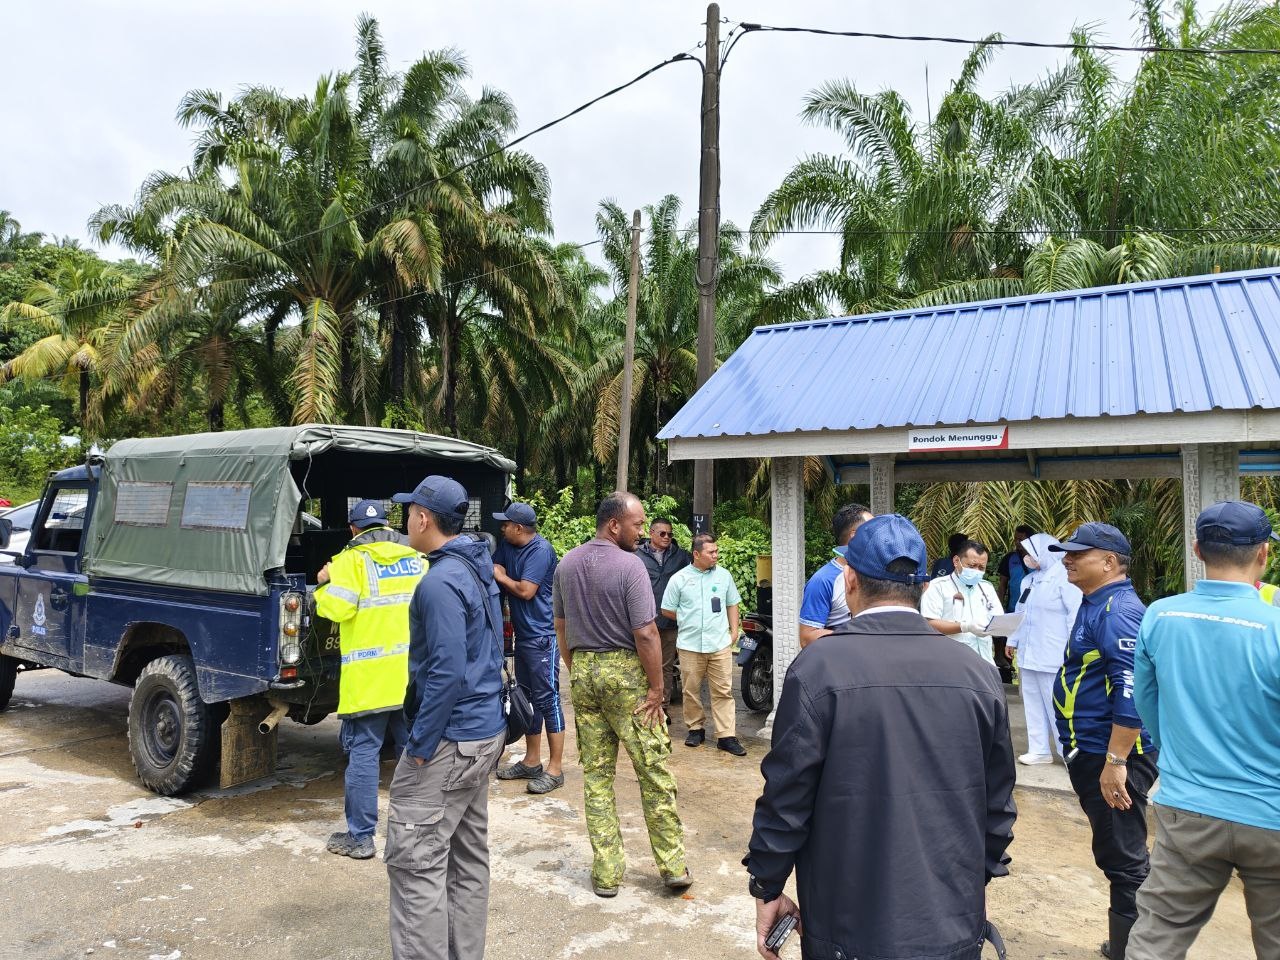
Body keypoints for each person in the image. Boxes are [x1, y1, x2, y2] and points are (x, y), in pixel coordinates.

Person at [745, 514, 1016, 960]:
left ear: (849, 578)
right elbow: (998, 802)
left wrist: (768, 884)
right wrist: (976, 880)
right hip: (951, 922)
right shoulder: (980, 675)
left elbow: (787, 796)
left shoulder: (819, 668)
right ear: (925, 587)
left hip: (848, 925)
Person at [1127, 501, 1280, 960]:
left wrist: (1181, 751)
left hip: (1186, 808)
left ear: (1196, 549)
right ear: (1265, 554)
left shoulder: (1161, 615)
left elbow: (1147, 706)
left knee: (1155, 940)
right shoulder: (1275, 625)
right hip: (1271, 814)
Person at [384, 476, 506, 960]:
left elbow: (447, 671)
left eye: (408, 512)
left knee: (416, 865)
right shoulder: (475, 566)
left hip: (449, 742)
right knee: (468, 858)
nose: (405, 521)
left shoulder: (438, 582)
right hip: (483, 733)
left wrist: (419, 747)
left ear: (423, 518)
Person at [553, 491, 691, 898]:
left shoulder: (567, 563)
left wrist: (576, 667)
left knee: (596, 777)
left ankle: (607, 873)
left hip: (584, 671)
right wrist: (657, 689)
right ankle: (672, 865)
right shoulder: (630, 566)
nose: (642, 532)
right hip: (626, 676)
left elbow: (560, 625)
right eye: (636, 524)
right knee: (654, 771)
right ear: (614, 524)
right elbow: (646, 632)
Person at [1050, 523, 1156, 960]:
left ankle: (1133, 951)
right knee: (1118, 852)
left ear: (1110, 562)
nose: (1067, 560)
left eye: (1078, 554)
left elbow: (1129, 690)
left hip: (1111, 754)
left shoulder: (1117, 612)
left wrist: (1116, 761)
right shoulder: (1097, 604)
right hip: (1097, 751)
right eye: (1066, 553)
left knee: (1125, 858)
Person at [314, 499, 425, 860]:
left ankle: (361, 838)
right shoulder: (416, 559)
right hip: (410, 677)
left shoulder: (348, 562)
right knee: (414, 754)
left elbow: (336, 608)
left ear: (352, 530)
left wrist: (322, 585)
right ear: (391, 526)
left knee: (364, 754)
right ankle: (418, 832)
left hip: (370, 680)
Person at [490, 502, 564, 795]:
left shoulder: (540, 551)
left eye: (506, 524)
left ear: (519, 528)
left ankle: (555, 769)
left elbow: (525, 590)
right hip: (523, 636)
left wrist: (501, 577)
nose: (502, 528)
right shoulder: (509, 546)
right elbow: (494, 565)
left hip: (542, 637)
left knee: (549, 700)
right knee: (528, 698)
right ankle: (531, 761)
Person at [659, 533, 746, 756]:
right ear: (696, 554)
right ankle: (695, 729)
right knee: (691, 690)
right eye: (711, 552)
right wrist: (687, 616)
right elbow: (666, 608)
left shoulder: (724, 576)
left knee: (723, 691)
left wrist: (734, 631)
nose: (716, 555)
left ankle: (726, 736)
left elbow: (732, 603)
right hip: (689, 645)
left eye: (716, 551)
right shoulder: (679, 579)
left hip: (719, 644)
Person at [1005, 532, 1082, 766]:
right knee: (1032, 702)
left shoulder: (1064, 578)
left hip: (1054, 652)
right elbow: (1020, 613)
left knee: (1056, 705)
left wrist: (1074, 648)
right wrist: (1012, 640)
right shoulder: (1029, 580)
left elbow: (1074, 615)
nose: (1027, 558)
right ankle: (1038, 749)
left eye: (1030, 553)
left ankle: (1067, 752)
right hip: (1029, 652)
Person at [798, 502, 873, 647]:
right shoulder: (822, 580)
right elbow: (807, 637)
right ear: (854, 536)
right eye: (872, 529)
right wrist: (856, 635)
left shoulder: (875, 573)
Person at [920, 538, 1003, 666]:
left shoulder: (986, 588)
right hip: (951, 663)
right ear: (956, 561)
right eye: (971, 566)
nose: (976, 571)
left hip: (985, 662)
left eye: (981, 568)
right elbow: (929, 624)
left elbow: (998, 619)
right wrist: (965, 627)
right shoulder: (938, 586)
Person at [637, 518, 692, 707]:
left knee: (665, 666)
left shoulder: (681, 556)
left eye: (670, 534)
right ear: (651, 533)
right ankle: (642, 704)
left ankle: (662, 706)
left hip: (669, 620)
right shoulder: (636, 555)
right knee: (642, 663)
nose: (667, 537)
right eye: (662, 533)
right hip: (643, 620)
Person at [998, 524, 1035, 609]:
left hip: (1033, 610)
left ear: (1030, 540)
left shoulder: (1039, 559)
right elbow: (1002, 586)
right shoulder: (1009, 558)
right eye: (1015, 539)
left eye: (1021, 540)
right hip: (1013, 609)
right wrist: (999, 608)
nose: (1017, 542)